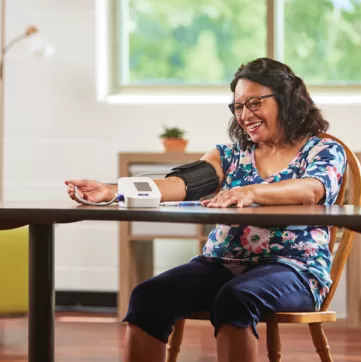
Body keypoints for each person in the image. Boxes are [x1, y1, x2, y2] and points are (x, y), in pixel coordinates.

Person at [65, 57, 346, 362]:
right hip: (221, 265)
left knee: (237, 298)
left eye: (254, 103)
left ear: (286, 98)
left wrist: (249, 191)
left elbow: (311, 188)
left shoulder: (323, 150)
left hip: (295, 269)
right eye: (238, 107)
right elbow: (181, 184)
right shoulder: (229, 156)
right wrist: (114, 190)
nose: (245, 115)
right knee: (148, 297)